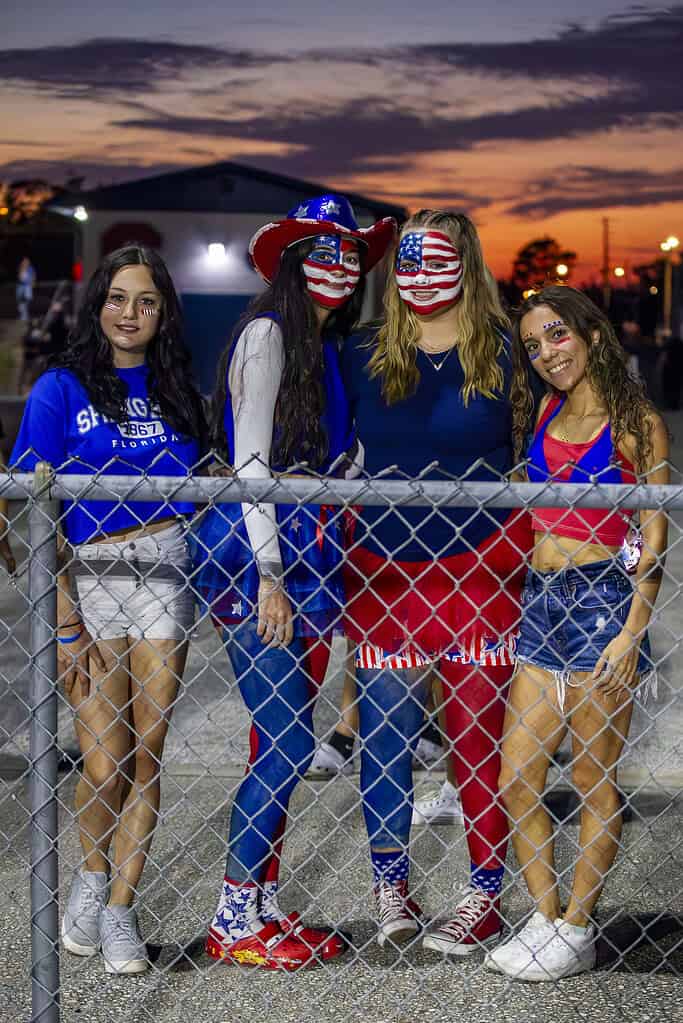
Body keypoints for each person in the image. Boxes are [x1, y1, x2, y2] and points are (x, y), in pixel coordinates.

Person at [194, 195, 396, 970]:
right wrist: (271, 573)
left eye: (350, 251)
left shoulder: (323, 347)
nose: (339, 263)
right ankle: (234, 917)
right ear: (291, 259)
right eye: (321, 248)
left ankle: (263, 902)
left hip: (315, 553)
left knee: (276, 735)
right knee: (283, 740)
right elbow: (250, 463)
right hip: (261, 554)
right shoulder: (268, 332)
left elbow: (335, 462)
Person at [10, 245, 206, 974]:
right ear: (98, 306)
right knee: (105, 757)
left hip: (162, 566)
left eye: (147, 301)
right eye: (119, 298)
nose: (131, 313)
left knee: (146, 752)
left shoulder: (178, 386)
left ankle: (121, 908)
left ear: (164, 313)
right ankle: (90, 882)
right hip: (88, 573)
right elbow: (34, 513)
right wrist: (65, 622)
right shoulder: (60, 388)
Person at [341, 210, 532, 952]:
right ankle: (390, 881)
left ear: (467, 261)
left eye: (436, 256)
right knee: (384, 737)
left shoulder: (506, 350)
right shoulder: (359, 350)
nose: (418, 272)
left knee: (475, 743)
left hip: (479, 569)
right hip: (382, 574)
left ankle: (483, 892)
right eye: (407, 259)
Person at [486, 285, 668, 981]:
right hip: (541, 604)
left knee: (593, 779)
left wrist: (630, 634)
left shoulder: (635, 423)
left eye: (556, 335)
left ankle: (575, 926)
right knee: (516, 778)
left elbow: (652, 537)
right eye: (533, 345)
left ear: (589, 334)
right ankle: (543, 915)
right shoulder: (544, 410)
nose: (546, 354)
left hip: (602, 608)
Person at [16, 256, 36, 321]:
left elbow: (33, 276)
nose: (26, 262)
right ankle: (23, 316)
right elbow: (20, 277)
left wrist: (33, 283)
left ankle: (25, 315)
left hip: (28, 286)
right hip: (21, 286)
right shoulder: (21, 268)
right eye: (24, 261)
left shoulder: (31, 268)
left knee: (28, 300)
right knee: (20, 301)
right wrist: (22, 269)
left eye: (27, 261)